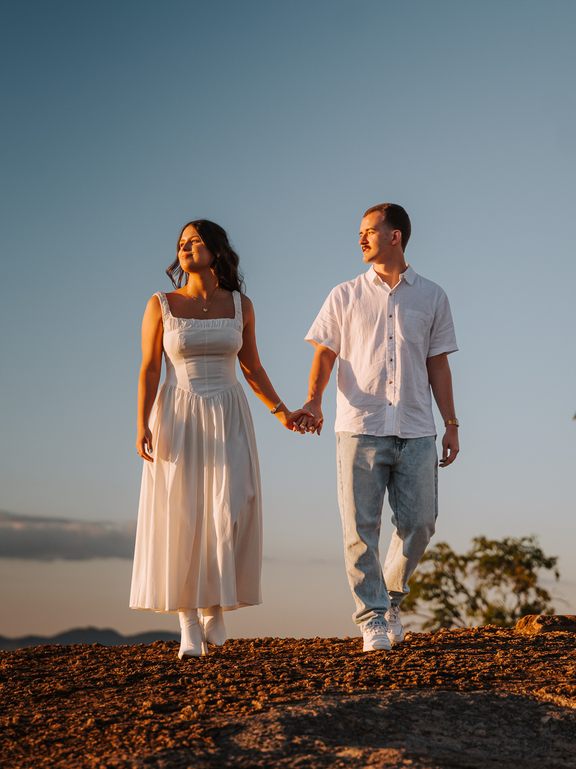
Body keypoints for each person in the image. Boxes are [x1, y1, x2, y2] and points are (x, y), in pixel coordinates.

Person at [131, 219, 308, 659]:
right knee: (183, 513)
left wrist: (281, 411)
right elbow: (150, 367)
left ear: (216, 249)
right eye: (181, 244)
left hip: (229, 411)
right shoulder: (161, 304)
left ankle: (215, 606)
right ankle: (188, 620)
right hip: (177, 411)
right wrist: (141, 423)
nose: (186, 248)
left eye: (195, 241)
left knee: (230, 505)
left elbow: (252, 366)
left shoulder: (240, 304)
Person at [299, 203, 460, 652]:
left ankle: (389, 596)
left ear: (395, 237)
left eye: (369, 231)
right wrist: (313, 400)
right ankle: (372, 618)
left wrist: (451, 423)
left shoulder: (432, 296)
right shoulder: (344, 295)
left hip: (416, 427)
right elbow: (325, 354)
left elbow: (438, 365)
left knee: (421, 522)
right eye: (360, 232)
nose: (360, 239)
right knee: (359, 528)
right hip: (360, 425)